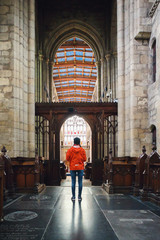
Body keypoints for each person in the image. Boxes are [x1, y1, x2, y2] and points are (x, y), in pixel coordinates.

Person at [66, 137, 86, 201]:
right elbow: (85, 159)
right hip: (80, 167)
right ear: (79, 142)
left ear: (73, 142)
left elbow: (67, 158)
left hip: (73, 167)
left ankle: (73, 197)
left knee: (73, 182)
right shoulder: (82, 150)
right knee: (80, 182)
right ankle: (79, 197)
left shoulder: (70, 150)